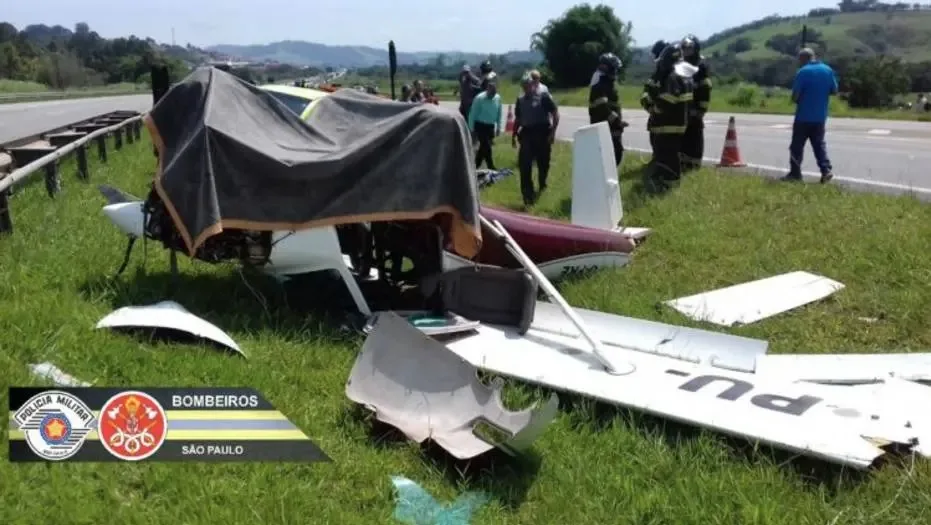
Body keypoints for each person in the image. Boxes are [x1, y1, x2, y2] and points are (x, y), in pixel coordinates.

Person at [643, 44, 694, 193]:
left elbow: (666, 101)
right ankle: (666, 180)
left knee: (666, 154)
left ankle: (667, 184)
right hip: (679, 123)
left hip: (668, 124)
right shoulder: (686, 76)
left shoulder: (673, 77)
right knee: (670, 154)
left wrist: (652, 109)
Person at [783, 47, 837, 184]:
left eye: (799, 60)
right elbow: (834, 90)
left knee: (796, 146)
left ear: (803, 59)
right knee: (819, 145)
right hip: (820, 117)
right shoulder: (827, 70)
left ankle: (795, 174)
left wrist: (801, 98)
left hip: (803, 117)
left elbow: (795, 96)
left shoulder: (803, 72)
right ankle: (826, 170)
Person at [512, 74, 560, 206]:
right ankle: (528, 195)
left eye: (529, 84)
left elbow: (555, 113)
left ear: (533, 84)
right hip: (527, 134)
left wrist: (552, 133)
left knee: (543, 163)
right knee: (524, 165)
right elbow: (518, 119)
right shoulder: (520, 100)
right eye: (524, 85)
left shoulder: (544, 97)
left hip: (543, 133)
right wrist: (513, 136)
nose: (527, 87)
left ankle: (542, 183)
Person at [679, 34, 712, 173]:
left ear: (696, 49)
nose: (686, 51)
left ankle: (694, 167)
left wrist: (700, 111)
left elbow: (705, 87)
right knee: (682, 140)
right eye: (684, 48)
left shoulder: (700, 66)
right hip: (683, 109)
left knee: (695, 139)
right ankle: (682, 165)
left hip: (695, 110)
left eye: (689, 48)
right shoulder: (680, 65)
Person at [588, 52, 625, 166]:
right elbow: (602, 108)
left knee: (615, 153)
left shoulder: (607, 83)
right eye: (614, 69)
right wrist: (617, 121)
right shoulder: (601, 84)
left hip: (611, 126)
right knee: (612, 154)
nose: (616, 72)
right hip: (606, 126)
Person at [468, 76, 503, 170]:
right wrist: (471, 129)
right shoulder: (479, 98)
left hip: (490, 126)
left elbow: (499, 112)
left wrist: (499, 127)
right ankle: (491, 166)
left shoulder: (498, 98)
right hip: (480, 125)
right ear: (487, 90)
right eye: (490, 94)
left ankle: (475, 166)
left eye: (494, 94)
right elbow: (472, 114)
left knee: (483, 148)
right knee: (486, 146)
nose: (492, 96)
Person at [641, 40, 668, 153]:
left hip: (667, 121)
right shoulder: (656, 74)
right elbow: (645, 94)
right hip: (655, 119)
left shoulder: (671, 76)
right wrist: (650, 107)